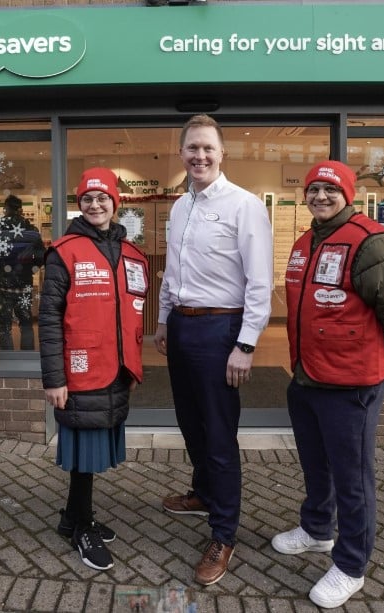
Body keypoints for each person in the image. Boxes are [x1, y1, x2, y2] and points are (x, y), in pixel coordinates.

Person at [273, 160, 384, 608]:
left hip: (351, 385)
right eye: (313, 189)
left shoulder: (371, 241)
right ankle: (318, 529)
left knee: (353, 478)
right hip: (306, 377)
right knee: (315, 464)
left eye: (330, 189)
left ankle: (351, 565)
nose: (320, 196)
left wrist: (380, 362)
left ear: (348, 194)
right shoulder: (305, 242)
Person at [154, 114, 273, 586]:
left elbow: (260, 282)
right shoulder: (180, 207)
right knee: (189, 422)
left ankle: (224, 532)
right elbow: (172, 273)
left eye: (208, 148)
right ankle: (203, 493)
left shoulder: (244, 206)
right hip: (182, 328)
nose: (199, 156)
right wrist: (164, 320)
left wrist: (245, 344)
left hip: (221, 330)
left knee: (219, 435)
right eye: (192, 149)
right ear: (181, 154)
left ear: (222, 154)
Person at [39, 167, 149, 571]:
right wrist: (54, 378)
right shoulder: (64, 251)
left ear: (116, 203)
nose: (96, 204)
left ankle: (71, 519)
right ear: (79, 204)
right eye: (87, 198)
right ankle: (82, 526)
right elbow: (49, 319)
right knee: (84, 451)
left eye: (103, 198)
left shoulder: (131, 253)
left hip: (115, 367)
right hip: (80, 370)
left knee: (94, 446)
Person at [0, 194, 45, 350]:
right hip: (24, 283)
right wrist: (31, 269)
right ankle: (27, 356)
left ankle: (7, 358)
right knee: (26, 323)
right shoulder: (32, 230)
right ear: (21, 209)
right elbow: (41, 256)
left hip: (2, 286)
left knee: (4, 325)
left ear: (6, 209)